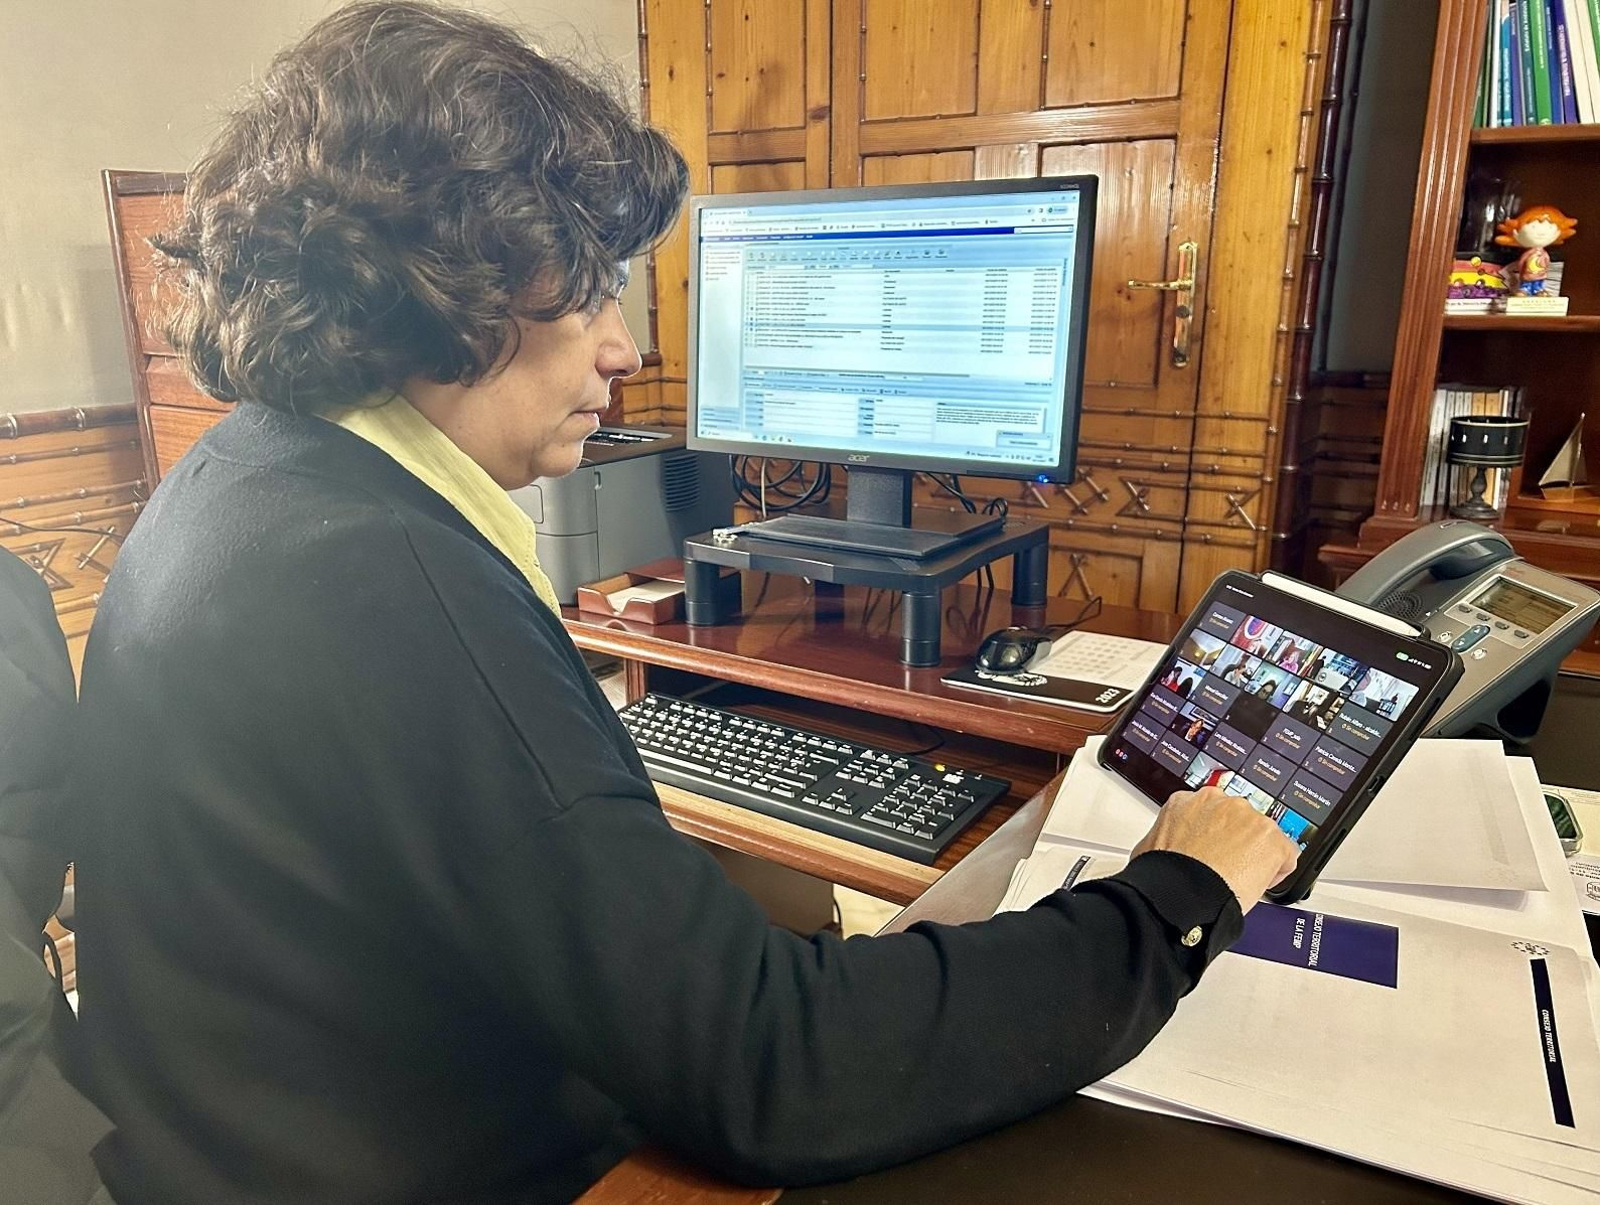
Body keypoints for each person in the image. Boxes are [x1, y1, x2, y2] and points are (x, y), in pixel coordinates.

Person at [69, 5, 1299, 1203]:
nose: (624, 347)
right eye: (593, 289)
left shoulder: (247, 478)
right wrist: (1171, 901)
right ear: (445, 284)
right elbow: (774, 1076)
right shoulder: (386, 585)